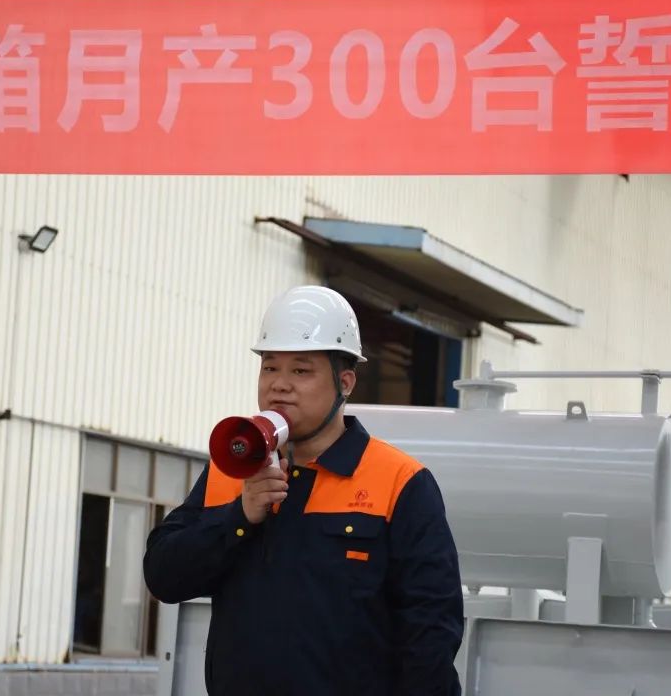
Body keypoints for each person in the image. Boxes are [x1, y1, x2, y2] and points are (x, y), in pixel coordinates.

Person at [143, 285, 464, 696]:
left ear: (345, 383)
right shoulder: (231, 472)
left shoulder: (400, 482)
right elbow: (164, 577)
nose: (279, 385)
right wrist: (240, 516)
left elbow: (431, 631)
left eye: (300, 371)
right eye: (269, 368)